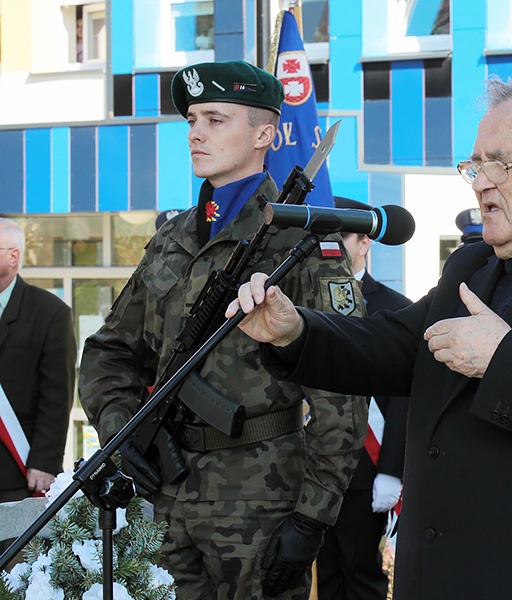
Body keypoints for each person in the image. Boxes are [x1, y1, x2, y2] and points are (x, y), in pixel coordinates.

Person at [228, 75, 512, 599]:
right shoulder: (473, 264)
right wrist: (295, 331)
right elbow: (393, 346)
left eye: (501, 163)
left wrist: (503, 360)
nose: (480, 182)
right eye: (474, 165)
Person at [78, 60, 367, 599]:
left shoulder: (301, 243)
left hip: (259, 500)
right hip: (165, 493)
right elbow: (108, 354)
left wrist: (312, 518)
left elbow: (341, 391)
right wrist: (123, 436)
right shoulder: (172, 240)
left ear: (263, 133)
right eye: (192, 119)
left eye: (215, 118)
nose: (195, 132)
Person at [315, 197, 412, 600]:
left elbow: (404, 396)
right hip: (312, 467)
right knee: (325, 576)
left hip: (364, 470)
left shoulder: (395, 308)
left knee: (362, 576)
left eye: (342, 236)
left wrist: (391, 470)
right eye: (324, 238)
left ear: (364, 243)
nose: (332, 246)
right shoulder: (302, 304)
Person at [0, 218, 76, 504]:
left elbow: (57, 395)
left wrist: (45, 459)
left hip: (16, 473)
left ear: (13, 256)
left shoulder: (49, 312)